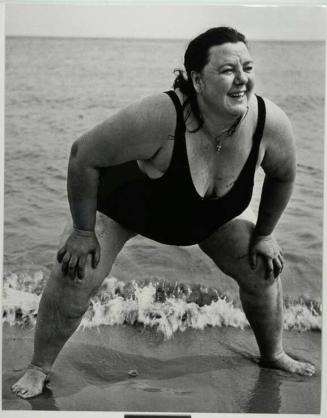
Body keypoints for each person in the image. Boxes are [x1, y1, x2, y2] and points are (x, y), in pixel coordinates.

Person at [12, 26, 315, 399]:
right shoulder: (160, 116)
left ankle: (273, 354)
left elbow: (284, 176)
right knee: (77, 268)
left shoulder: (270, 123)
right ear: (198, 81)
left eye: (248, 68)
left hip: (206, 217)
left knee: (263, 267)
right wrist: (82, 231)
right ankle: (39, 367)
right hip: (127, 208)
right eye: (227, 71)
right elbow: (82, 155)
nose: (242, 80)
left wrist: (266, 233)